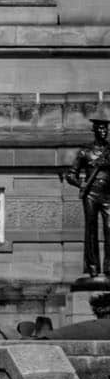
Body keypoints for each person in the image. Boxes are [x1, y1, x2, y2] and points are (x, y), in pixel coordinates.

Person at [63, 116, 110, 285]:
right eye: (101, 129)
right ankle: (92, 267)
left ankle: (109, 268)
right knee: (91, 230)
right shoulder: (85, 152)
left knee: (109, 228)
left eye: (106, 129)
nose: (104, 132)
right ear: (95, 131)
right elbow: (70, 175)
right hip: (91, 193)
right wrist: (80, 183)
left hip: (108, 195)